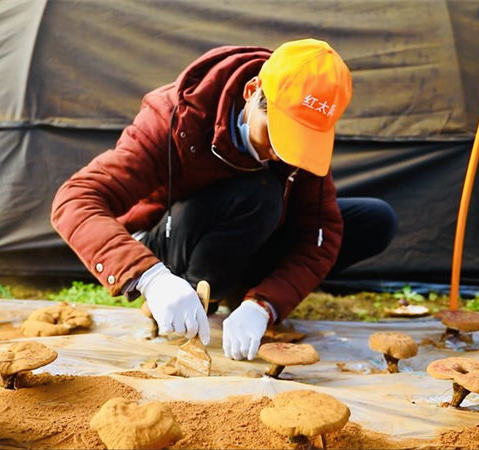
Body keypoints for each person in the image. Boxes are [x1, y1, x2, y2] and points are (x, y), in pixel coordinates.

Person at [51, 38, 397, 361]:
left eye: (300, 141)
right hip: (172, 243)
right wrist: (150, 277)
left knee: (373, 218)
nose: (280, 155)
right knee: (257, 194)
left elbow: (321, 236)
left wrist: (265, 305)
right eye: (277, 135)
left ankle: (241, 296)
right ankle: (194, 300)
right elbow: (75, 200)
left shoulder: (296, 154)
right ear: (252, 92)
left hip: (249, 233)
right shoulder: (174, 118)